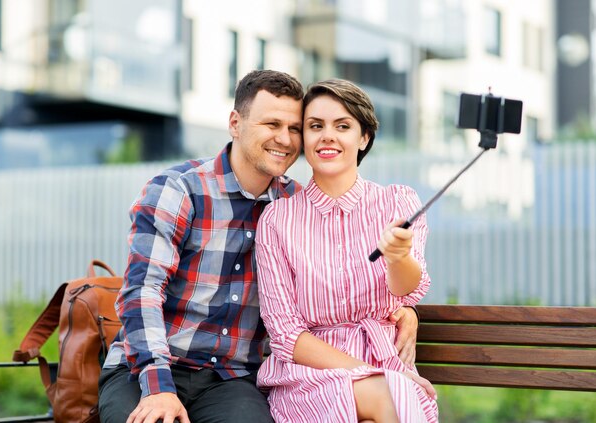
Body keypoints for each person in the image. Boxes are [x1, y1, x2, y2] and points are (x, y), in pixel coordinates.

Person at [98, 70, 420, 423]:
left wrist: (404, 309)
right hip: (149, 367)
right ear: (235, 123)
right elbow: (142, 291)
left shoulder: (294, 206)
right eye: (271, 124)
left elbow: (349, 278)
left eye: (294, 128)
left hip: (229, 380)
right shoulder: (179, 190)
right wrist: (159, 388)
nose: (284, 139)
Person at [254, 79, 439, 423]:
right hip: (309, 376)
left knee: (394, 398)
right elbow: (285, 334)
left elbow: (407, 290)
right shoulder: (278, 219)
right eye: (315, 126)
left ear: (363, 137)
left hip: (383, 359)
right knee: (394, 397)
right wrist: (370, 373)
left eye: (342, 126)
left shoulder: (396, 202)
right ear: (303, 138)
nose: (327, 136)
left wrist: (399, 256)